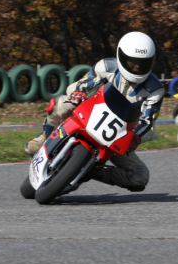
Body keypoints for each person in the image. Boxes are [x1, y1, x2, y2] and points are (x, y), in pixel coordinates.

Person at [25, 31, 165, 192]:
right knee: (63, 103)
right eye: (132, 62)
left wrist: (136, 138)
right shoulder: (106, 66)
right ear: (121, 56)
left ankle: (91, 171)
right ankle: (46, 137)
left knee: (140, 176)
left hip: (118, 135)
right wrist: (78, 92)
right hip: (88, 114)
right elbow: (82, 84)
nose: (137, 67)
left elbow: (148, 123)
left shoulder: (155, 90)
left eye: (143, 63)